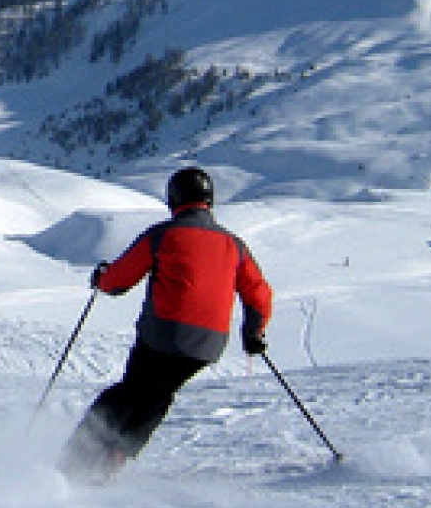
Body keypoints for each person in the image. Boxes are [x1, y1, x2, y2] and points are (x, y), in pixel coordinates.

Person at [60, 166, 272, 483]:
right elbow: (259, 293)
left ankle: (72, 461)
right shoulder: (234, 245)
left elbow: (120, 280)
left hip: (163, 334)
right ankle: (115, 457)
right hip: (208, 344)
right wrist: (254, 332)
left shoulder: (164, 235)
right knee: (158, 396)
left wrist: (102, 280)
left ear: (174, 199)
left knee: (126, 394)